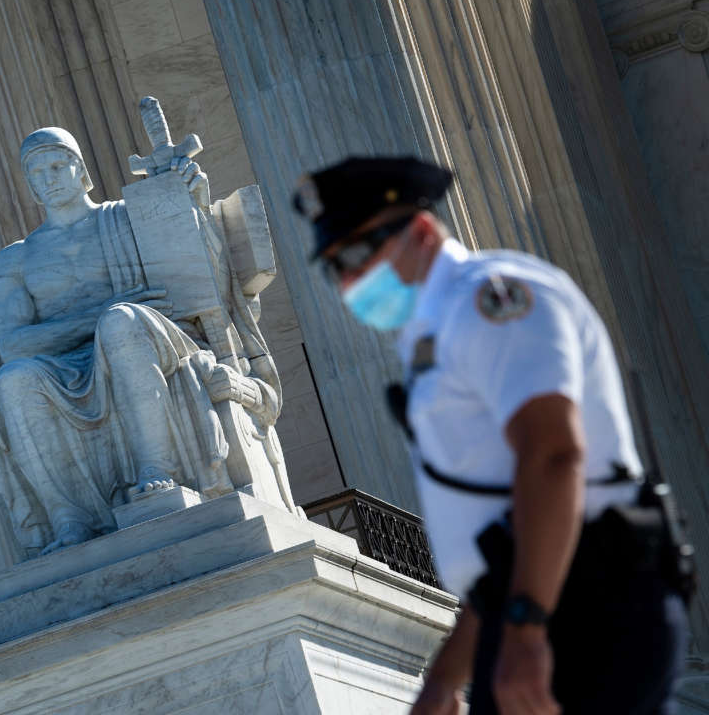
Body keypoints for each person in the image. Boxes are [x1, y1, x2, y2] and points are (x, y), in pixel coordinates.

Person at [293, 156, 691, 714]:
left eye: (359, 254)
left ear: (422, 231)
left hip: (587, 603)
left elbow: (553, 456)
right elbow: (503, 542)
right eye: (334, 267)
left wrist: (528, 630)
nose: (350, 280)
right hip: (534, 605)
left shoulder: (493, 299)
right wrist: (445, 677)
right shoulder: (431, 337)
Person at [0, 127, 270, 556]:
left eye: (58, 165)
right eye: (36, 171)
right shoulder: (16, 258)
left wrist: (191, 203)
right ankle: (70, 518)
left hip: (153, 340)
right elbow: (13, 344)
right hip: (67, 367)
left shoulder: (129, 217)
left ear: (81, 170)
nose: (48, 177)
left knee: (120, 322)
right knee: (13, 380)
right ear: (28, 185)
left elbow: (203, 276)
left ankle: (158, 472)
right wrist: (96, 316)